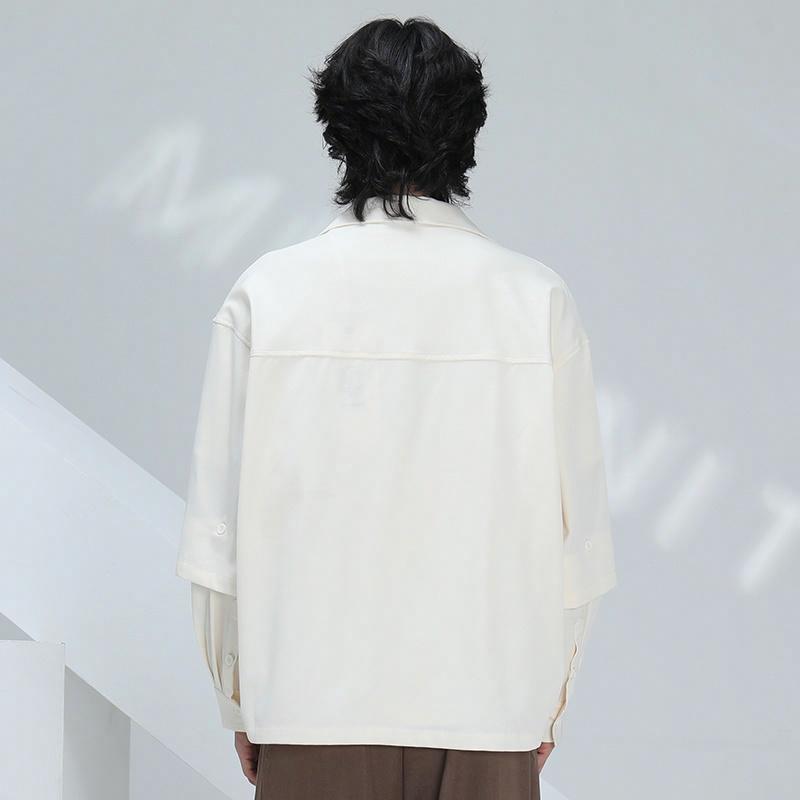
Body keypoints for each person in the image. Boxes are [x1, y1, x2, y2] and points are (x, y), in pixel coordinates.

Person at [175, 15, 618, 800]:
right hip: (489, 712)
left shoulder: (267, 295)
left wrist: (240, 699)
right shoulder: (536, 301)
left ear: (337, 130)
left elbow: (216, 536)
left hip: (309, 712)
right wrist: (546, 702)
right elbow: (579, 544)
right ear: (468, 132)